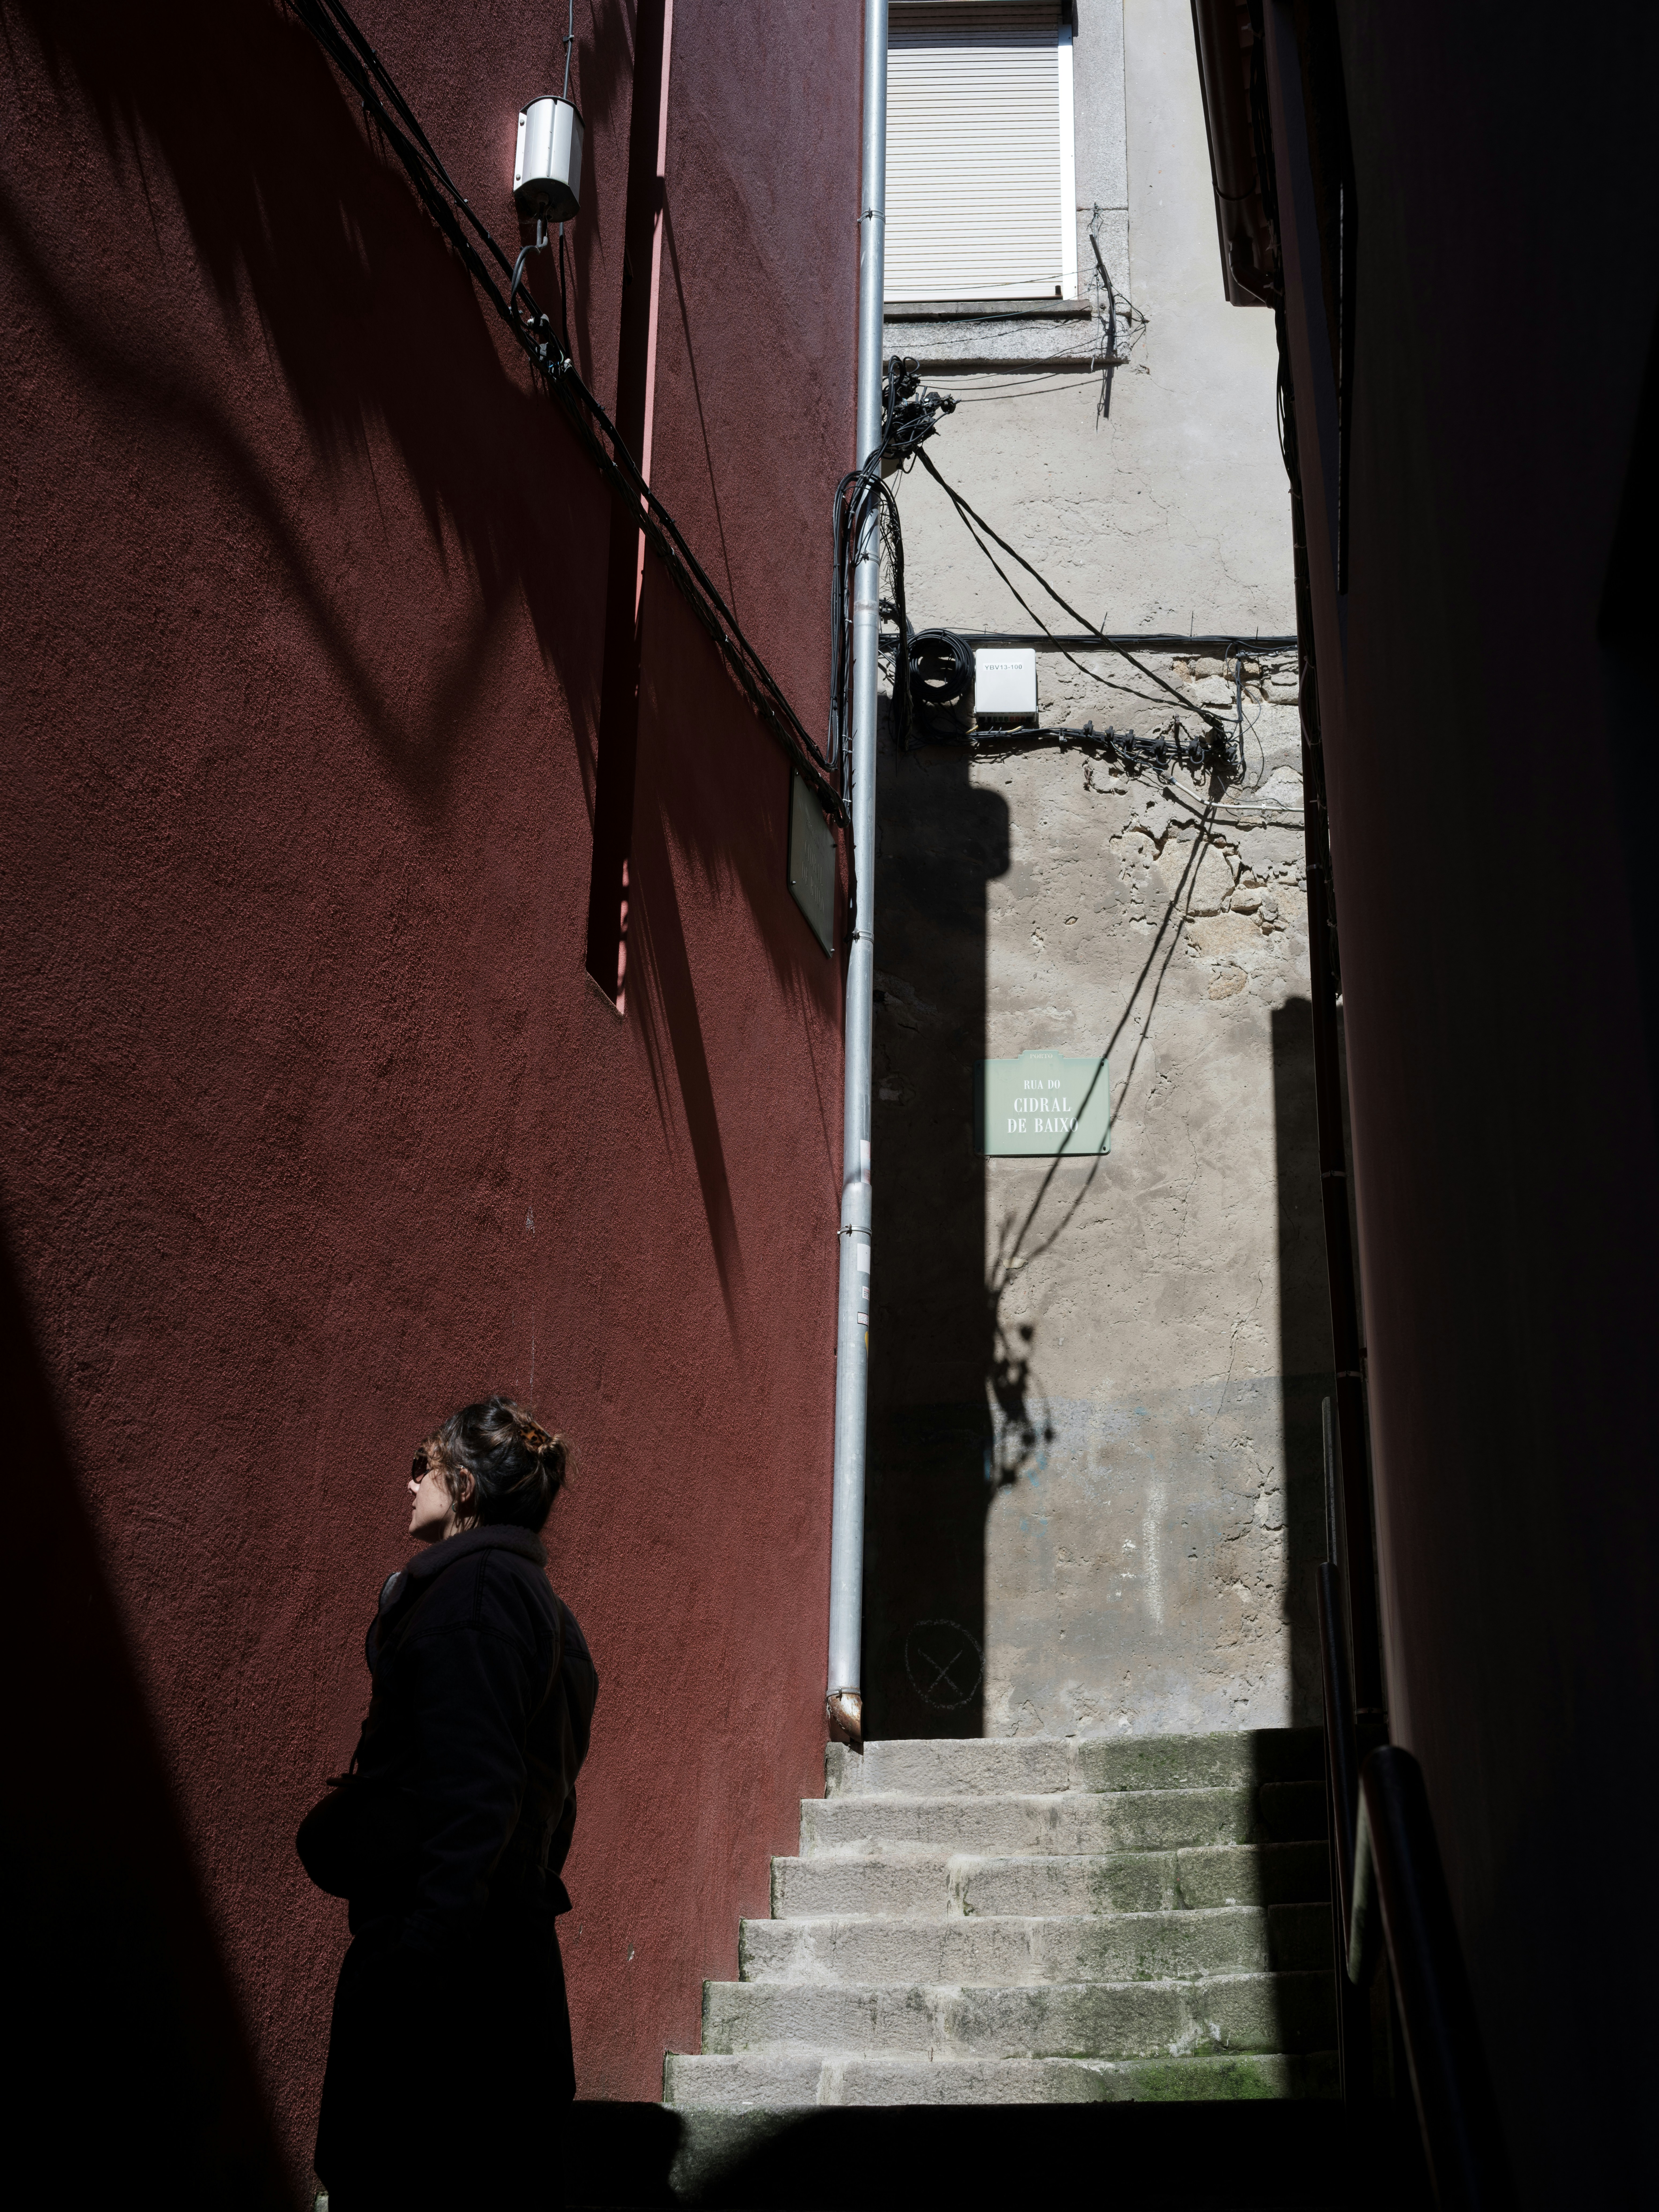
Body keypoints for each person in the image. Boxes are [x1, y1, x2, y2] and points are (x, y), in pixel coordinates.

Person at [302, 1397, 597, 2211]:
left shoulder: (473, 1599)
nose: (408, 1485)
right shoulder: (549, 1614)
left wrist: (424, 1951)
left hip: (453, 1985)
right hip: (506, 1959)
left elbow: (479, 1792)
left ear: (463, 1487)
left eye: (422, 1467)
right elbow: (550, 1799)